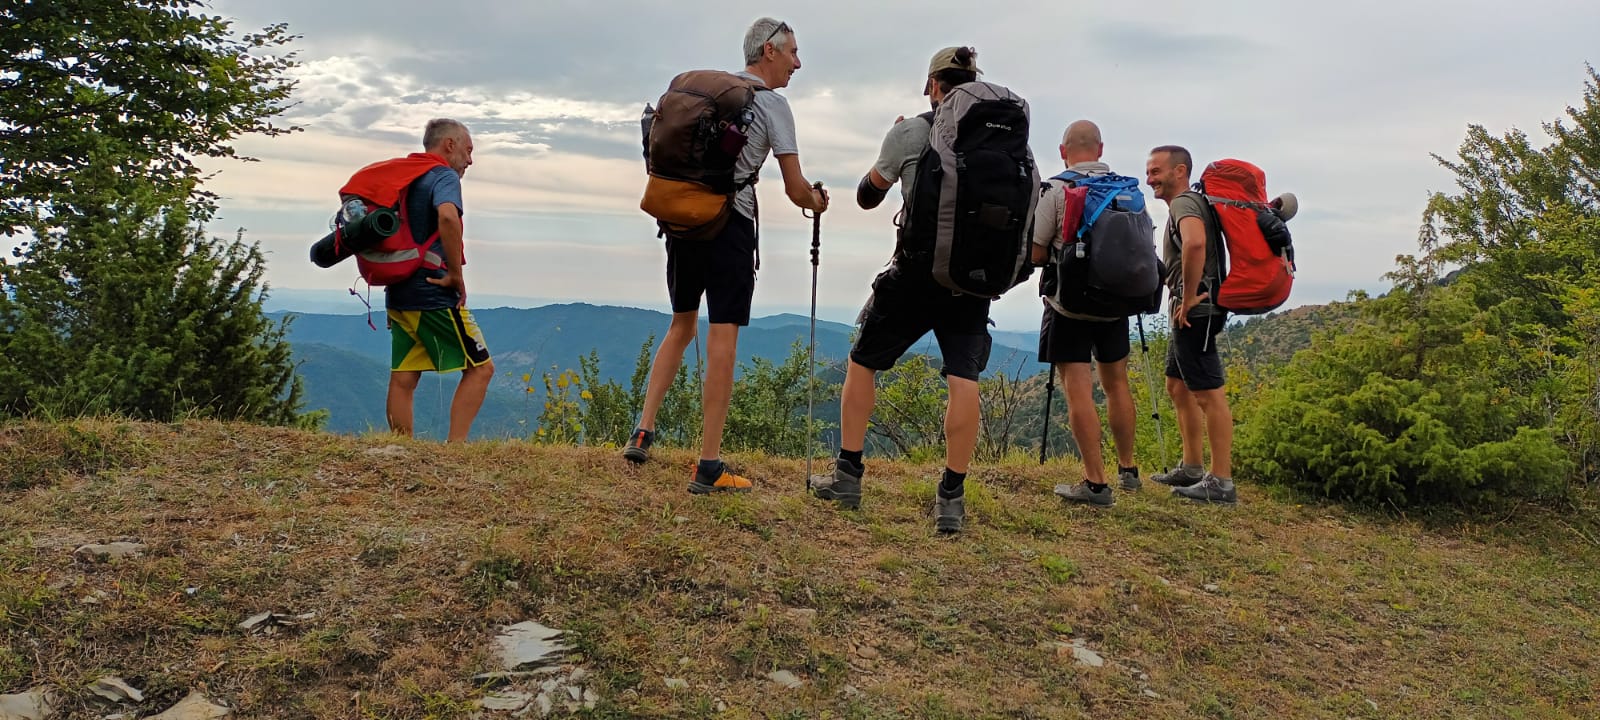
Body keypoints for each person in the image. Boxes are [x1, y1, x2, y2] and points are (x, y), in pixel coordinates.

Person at [623, 17, 830, 495]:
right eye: (793, 52)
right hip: (729, 225)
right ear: (768, 51)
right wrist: (818, 203)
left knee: (680, 323)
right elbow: (797, 189)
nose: (798, 63)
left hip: (682, 217)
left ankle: (642, 431)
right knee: (723, 339)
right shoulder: (772, 104)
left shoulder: (711, 95)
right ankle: (708, 464)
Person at [808, 46, 989, 534]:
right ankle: (951, 498)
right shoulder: (1001, 137)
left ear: (932, 85)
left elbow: (869, 197)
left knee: (863, 361)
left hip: (915, 275)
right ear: (972, 83)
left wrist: (893, 142)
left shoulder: (912, 131)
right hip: (973, 280)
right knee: (962, 378)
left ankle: (847, 476)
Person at [1033, 120, 1142, 507]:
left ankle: (1095, 484)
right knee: (1117, 385)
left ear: (1063, 151)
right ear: (1100, 148)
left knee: (1079, 389)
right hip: (1117, 305)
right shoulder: (1127, 189)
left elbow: (1036, 250)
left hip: (1069, 305)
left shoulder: (1056, 188)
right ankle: (1128, 469)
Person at [385, 118, 494, 443]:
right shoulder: (442, 175)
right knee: (480, 369)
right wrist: (456, 277)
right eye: (468, 150)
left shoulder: (406, 177)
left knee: (404, 376)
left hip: (399, 290)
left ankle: (401, 448)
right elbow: (447, 215)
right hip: (433, 292)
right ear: (450, 145)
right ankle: (455, 450)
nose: (470, 160)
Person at [1144, 145, 1236, 503]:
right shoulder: (1191, 203)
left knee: (1207, 393)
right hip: (1191, 309)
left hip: (1196, 310)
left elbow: (1195, 244)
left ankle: (1221, 481)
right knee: (1177, 386)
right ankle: (1193, 466)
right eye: (1149, 171)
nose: (1150, 178)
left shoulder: (1184, 203)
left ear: (1179, 171)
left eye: (1156, 171)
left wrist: (1189, 295)